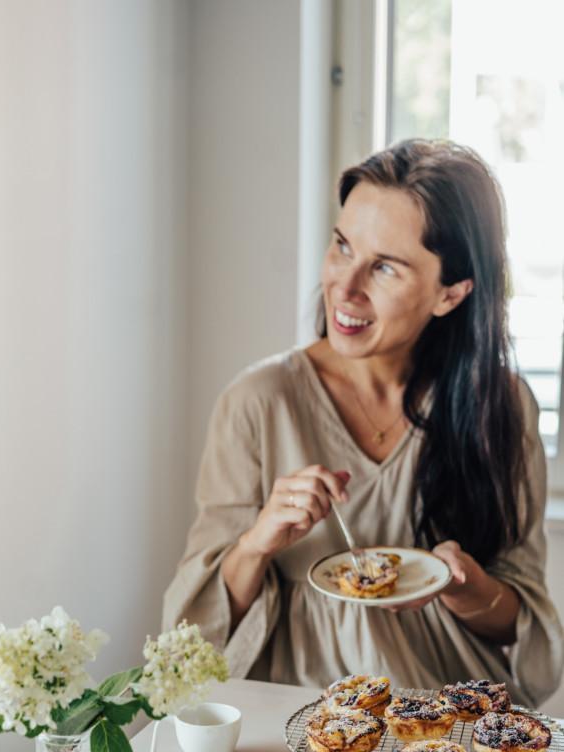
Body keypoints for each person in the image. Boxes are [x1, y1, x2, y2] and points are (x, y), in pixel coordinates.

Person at [162, 139, 563, 706]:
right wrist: (258, 543)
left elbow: (529, 640)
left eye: (385, 268)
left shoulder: (502, 406)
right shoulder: (259, 402)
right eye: (342, 246)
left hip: (447, 723)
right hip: (297, 725)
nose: (344, 289)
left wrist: (469, 589)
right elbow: (187, 644)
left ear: (450, 293)